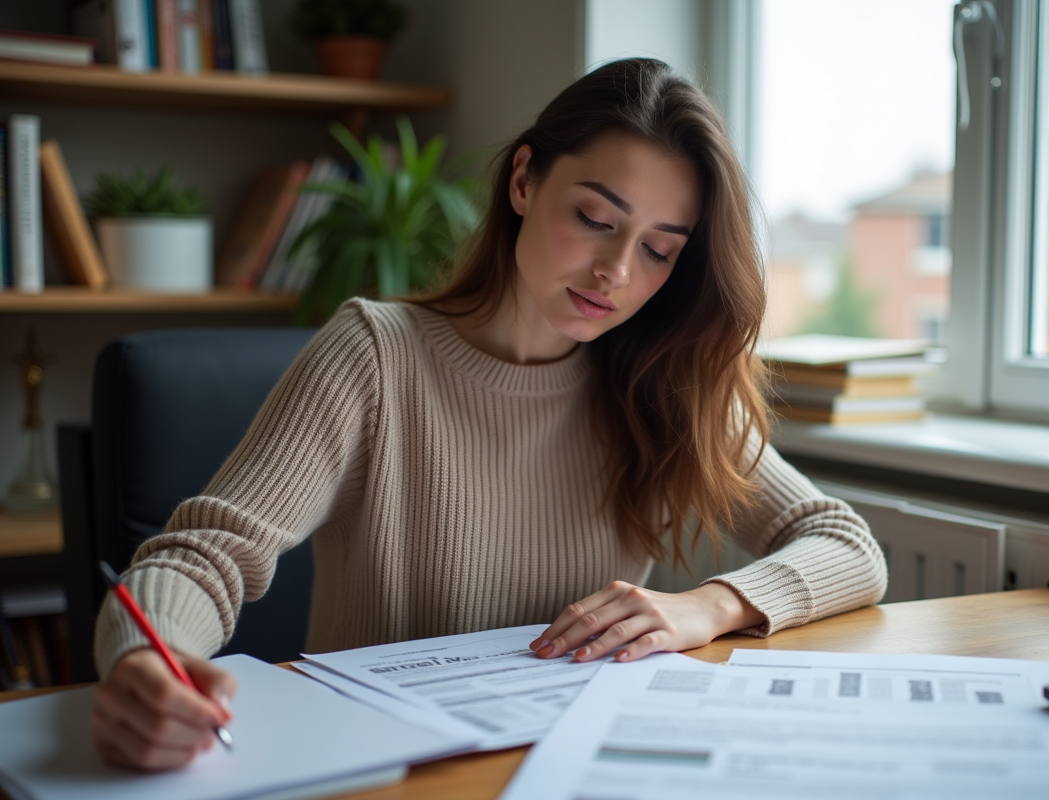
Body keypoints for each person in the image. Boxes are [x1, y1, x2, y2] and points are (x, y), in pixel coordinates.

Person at [91, 58, 887, 771]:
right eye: (597, 219)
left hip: (573, 768)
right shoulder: (376, 356)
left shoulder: (661, 382)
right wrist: (145, 667)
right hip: (388, 775)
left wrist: (703, 607)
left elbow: (847, 546)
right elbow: (201, 557)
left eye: (658, 249)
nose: (615, 270)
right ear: (523, 181)